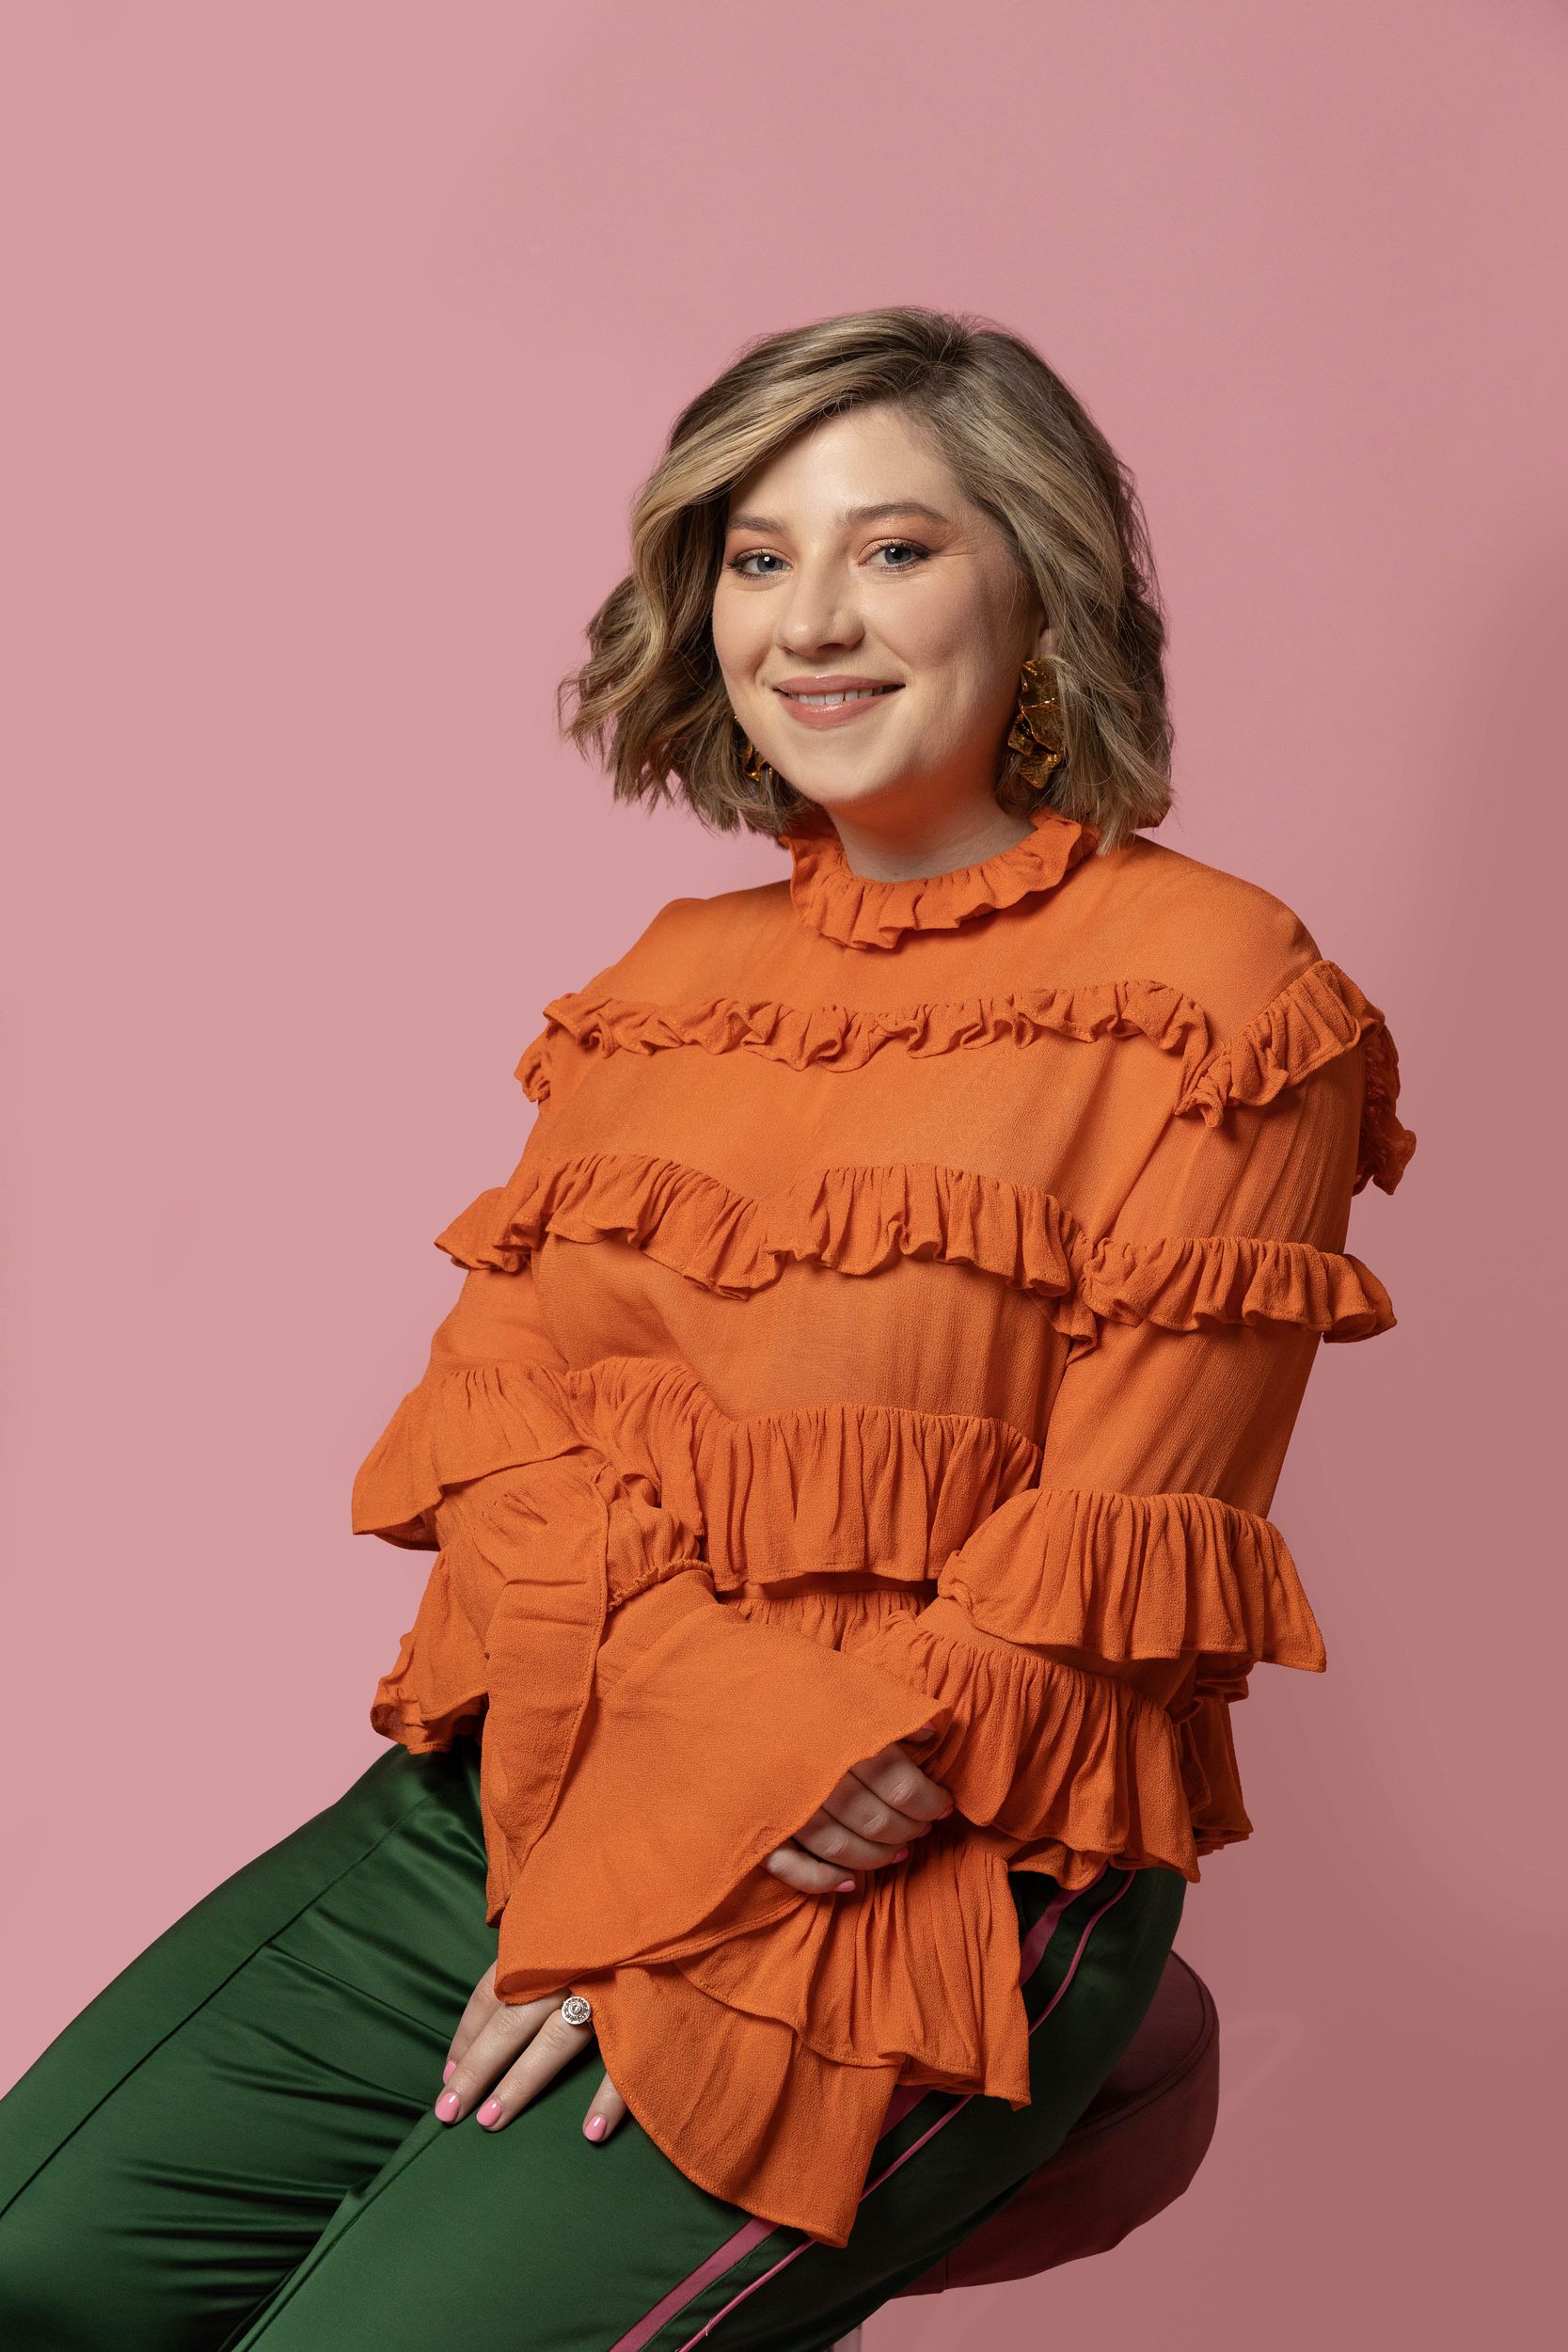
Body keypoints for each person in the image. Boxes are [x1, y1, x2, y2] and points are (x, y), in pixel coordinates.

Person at [0, 304, 1417, 2350]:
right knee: (32, 2267)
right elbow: (492, 1436)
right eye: (760, 556)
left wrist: (667, 1877)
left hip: (923, 1857)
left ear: (1044, 579)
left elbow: (1090, 1578)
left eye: (896, 547)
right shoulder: (663, 984)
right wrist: (605, 1820)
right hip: (523, 1798)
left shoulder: (1225, 986)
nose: (812, 620)